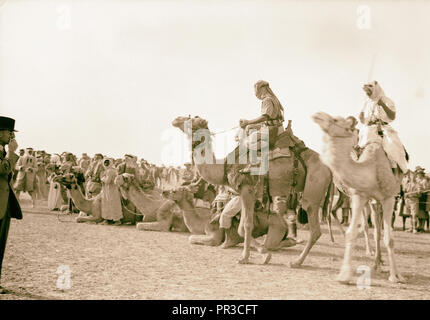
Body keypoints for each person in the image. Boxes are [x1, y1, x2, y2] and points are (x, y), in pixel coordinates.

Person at [358, 80, 408, 175]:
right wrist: (361, 117)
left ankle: (395, 171)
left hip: (383, 128)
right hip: (368, 130)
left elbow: (392, 116)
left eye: (369, 91)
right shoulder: (366, 103)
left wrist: (382, 105)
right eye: (366, 92)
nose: (367, 94)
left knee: (392, 146)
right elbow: (364, 120)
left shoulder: (386, 100)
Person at [239, 80, 285, 174]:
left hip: (273, 130)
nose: (255, 94)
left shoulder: (267, 100)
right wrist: (250, 125)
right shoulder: (273, 99)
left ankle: (254, 165)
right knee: (250, 130)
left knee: (248, 141)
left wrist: (248, 122)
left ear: (262, 89)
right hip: (276, 128)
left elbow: (265, 117)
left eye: (256, 90)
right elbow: (268, 119)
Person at [0, 116, 22, 294]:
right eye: (9, 133)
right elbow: (2, 169)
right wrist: (11, 154)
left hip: (3, 204)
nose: (11, 138)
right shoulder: (4, 152)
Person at [100, 158, 123, 226]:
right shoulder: (110, 170)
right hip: (108, 190)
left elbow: (107, 181)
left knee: (113, 204)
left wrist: (102, 178)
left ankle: (117, 220)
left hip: (111, 190)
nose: (106, 164)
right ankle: (108, 219)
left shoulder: (110, 171)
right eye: (105, 163)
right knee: (107, 204)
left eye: (107, 163)